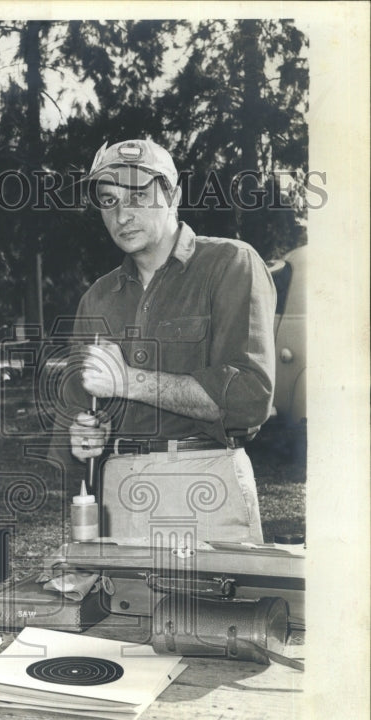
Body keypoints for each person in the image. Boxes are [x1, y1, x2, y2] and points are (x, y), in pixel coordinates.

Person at [62, 137, 276, 545]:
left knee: (215, 611)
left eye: (139, 195)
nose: (122, 214)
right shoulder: (97, 298)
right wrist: (84, 436)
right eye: (108, 200)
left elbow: (249, 398)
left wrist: (128, 381)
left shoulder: (230, 264)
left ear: (173, 194)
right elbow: (81, 413)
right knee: (124, 609)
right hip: (118, 489)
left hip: (205, 480)